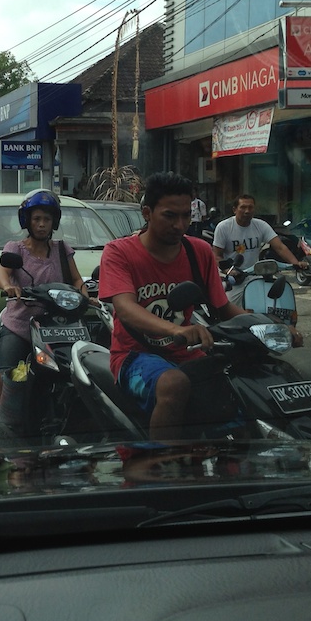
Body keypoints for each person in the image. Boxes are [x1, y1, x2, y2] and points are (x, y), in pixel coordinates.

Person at [98, 172, 247, 441]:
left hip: (187, 354)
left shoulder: (199, 251)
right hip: (132, 356)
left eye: (186, 216)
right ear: (147, 213)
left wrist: (268, 325)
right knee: (174, 383)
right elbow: (125, 307)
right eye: (169, 215)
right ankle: (162, 468)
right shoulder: (118, 252)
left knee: (241, 383)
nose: (180, 225)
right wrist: (175, 330)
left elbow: (223, 308)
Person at [0, 190, 96, 450]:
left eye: (47, 219)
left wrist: (85, 296)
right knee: (5, 374)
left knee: (80, 369)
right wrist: (9, 287)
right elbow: (2, 274)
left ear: (55, 222)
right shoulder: (14, 249)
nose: (42, 224)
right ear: (27, 222)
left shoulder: (62, 249)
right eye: (37, 219)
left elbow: (76, 281)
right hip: (20, 324)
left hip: (57, 326)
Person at [213, 194, 309, 274]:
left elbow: (280, 247)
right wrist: (228, 270)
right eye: (243, 207)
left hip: (254, 274)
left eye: (250, 207)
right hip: (232, 277)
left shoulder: (261, 225)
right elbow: (217, 255)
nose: (247, 211)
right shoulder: (223, 227)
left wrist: (296, 264)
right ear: (234, 210)